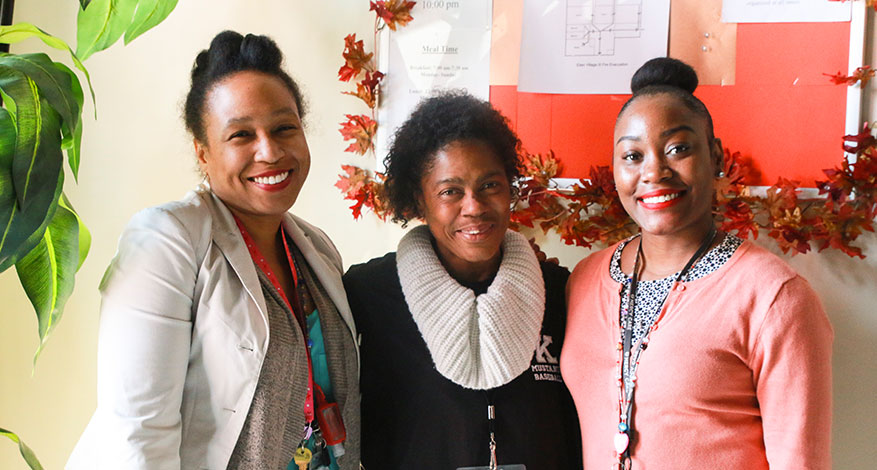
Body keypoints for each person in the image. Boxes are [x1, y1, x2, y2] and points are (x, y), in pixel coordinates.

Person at [66, 31, 359, 470]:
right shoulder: (167, 242)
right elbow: (138, 433)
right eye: (241, 135)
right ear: (203, 152)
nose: (270, 150)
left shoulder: (316, 250)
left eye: (284, 128)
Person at [561, 57, 833, 469]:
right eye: (632, 156)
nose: (654, 171)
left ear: (716, 155)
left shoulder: (774, 298)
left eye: (678, 149)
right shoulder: (584, 279)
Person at [343, 91, 582, 470]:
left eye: (490, 185)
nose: (474, 207)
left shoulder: (560, 293)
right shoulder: (367, 294)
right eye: (450, 192)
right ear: (419, 202)